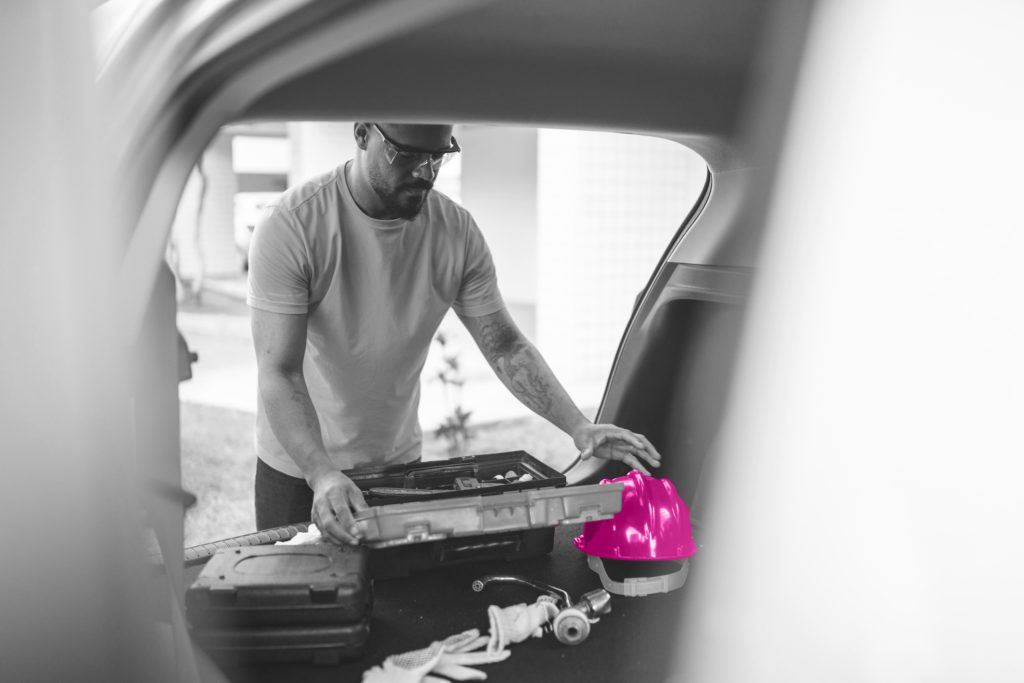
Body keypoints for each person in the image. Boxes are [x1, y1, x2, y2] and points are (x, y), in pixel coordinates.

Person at [247, 122, 661, 545]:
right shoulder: (292, 225)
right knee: (292, 605)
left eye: (438, 157)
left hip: (398, 466)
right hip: (301, 470)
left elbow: (505, 347)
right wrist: (321, 472)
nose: (425, 173)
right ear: (361, 134)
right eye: (406, 155)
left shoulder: (456, 232)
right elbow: (279, 371)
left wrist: (578, 426)